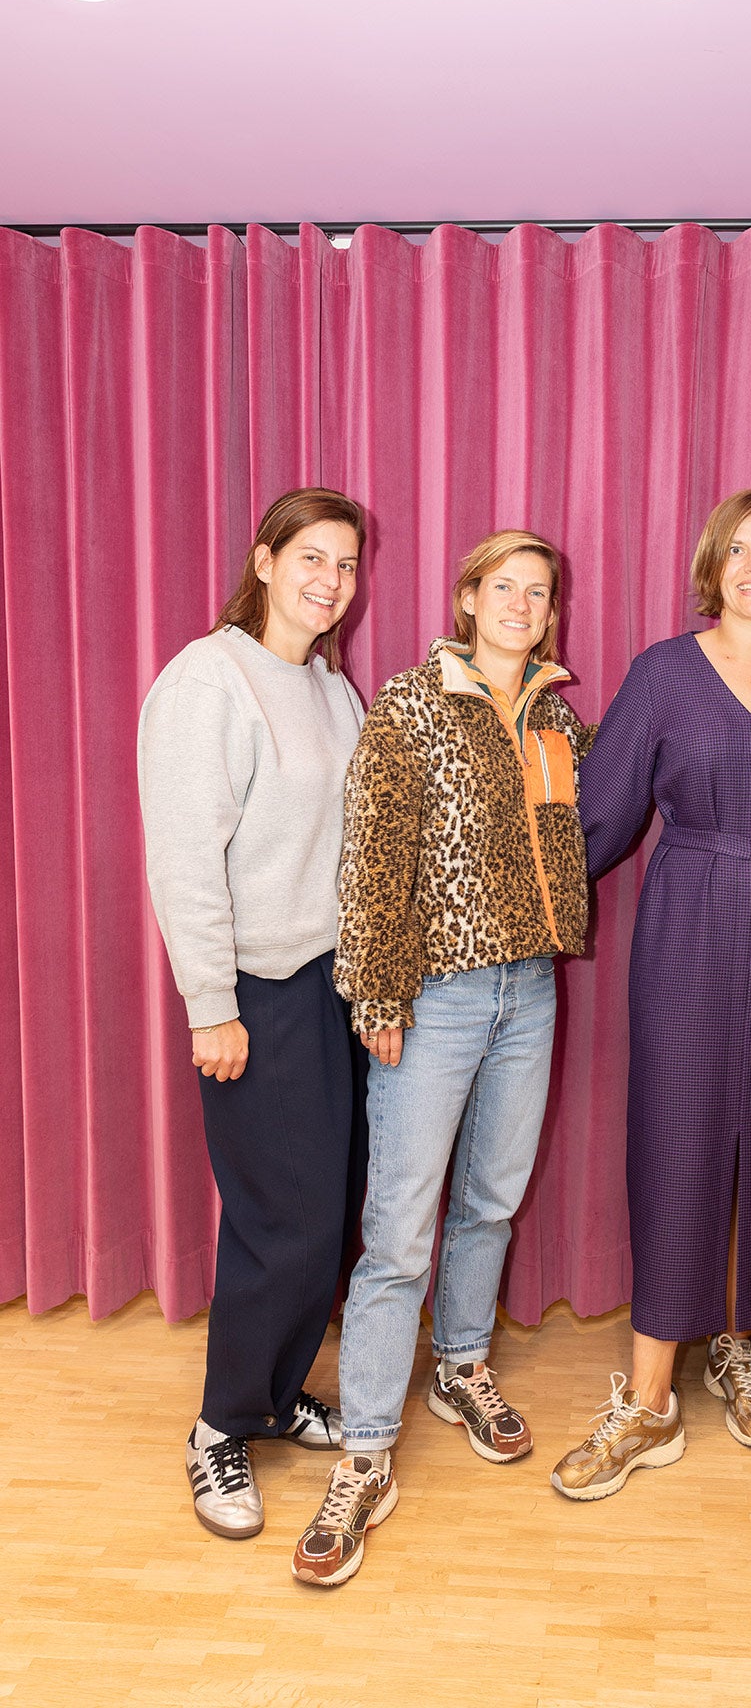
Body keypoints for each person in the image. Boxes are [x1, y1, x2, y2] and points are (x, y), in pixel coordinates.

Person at [551, 490, 751, 1501]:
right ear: (711, 567)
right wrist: (513, 908)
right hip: (690, 931)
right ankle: (650, 1402)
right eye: (738, 549)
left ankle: (737, 1343)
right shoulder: (664, 673)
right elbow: (600, 813)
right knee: (680, 1140)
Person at [291, 529, 592, 1586]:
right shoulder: (411, 706)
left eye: (538, 591)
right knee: (399, 1229)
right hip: (436, 995)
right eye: (503, 586)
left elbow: (576, 831)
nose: (521, 604)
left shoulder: (556, 716)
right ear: (468, 598)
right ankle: (367, 1453)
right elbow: (373, 856)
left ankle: (461, 1365)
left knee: (493, 1199)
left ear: (550, 612)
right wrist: (377, 990)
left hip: (531, 990)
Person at [137, 487, 369, 1538]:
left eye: (346, 564)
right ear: (265, 561)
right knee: (281, 1222)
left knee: (325, 1217)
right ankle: (219, 1426)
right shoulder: (209, 680)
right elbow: (185, 860)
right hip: (254, 997)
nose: (331, 580)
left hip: (329, 990)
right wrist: (211, 1007)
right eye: (311, 557)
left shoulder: (330, 688)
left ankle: (276, 1397)